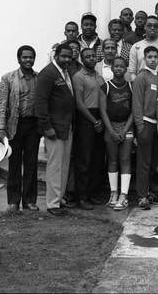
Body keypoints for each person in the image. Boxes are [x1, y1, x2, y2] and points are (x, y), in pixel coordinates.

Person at [0, 45, 40, 213]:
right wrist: (0, 128)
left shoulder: (39, 78)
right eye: (25, 57)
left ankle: (29, 201)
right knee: (14, 164)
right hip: (14, 126)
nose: (28, 60)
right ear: (19, 59)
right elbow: (2, 105)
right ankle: (13, 201)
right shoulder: (8, 78)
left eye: (31, 57)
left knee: (31, 164)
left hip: (33, 126)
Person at [35, 44, 75, 216]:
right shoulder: (48, 73)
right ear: (56, 55)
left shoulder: (66, 72)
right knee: (55, 166)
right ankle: (52, 204)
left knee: (64, 166)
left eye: (69, 57)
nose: (67, 59)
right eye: (63, 56)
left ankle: (60, 199)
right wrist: (47, 127)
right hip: (54, 128)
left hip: (67, 126)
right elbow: (41, 102)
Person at [132, 46, 158, 210]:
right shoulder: (141, 77)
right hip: (145, 123)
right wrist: (139, 126)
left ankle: (151, 191)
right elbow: (137, 104)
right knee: (143, 162)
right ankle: (142, 196)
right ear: (144, 59)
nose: (153, 59)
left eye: (155, 57)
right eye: (149, 57)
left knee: (155, 161)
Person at [72, 48, 106, 210]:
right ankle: (82, 197)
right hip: (86, 118)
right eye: (88, 57)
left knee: (96, 159)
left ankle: (92, 193)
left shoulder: (98, 76)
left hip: (100, 116)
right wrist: (94, 121)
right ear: (82, 59)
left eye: (93, 56)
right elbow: (79, 103)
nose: (91, 59)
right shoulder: (78, 77)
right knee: (84, 159)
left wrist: (101, 120)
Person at [99, 57, 134, 211]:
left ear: (126, 69)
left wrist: (125, 129)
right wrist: (111, 131)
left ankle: (124, 195)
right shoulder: (105, 86)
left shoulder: (131, 86)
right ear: (111, 68)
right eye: (116, 66)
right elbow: (103, 111)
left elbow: (134, 110)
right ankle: (114, 193)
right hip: (111, 127)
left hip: (127, 127)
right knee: (112, 160)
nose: (119, 69)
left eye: (122, 66)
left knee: (125, 159)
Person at [128, 15, 158, 81]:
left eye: (155, 26)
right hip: (140, 86)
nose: (152, 28)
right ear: (145, 27)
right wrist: (137, 85)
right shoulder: (136, 46)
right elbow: (132, 71)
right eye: (149, 25)